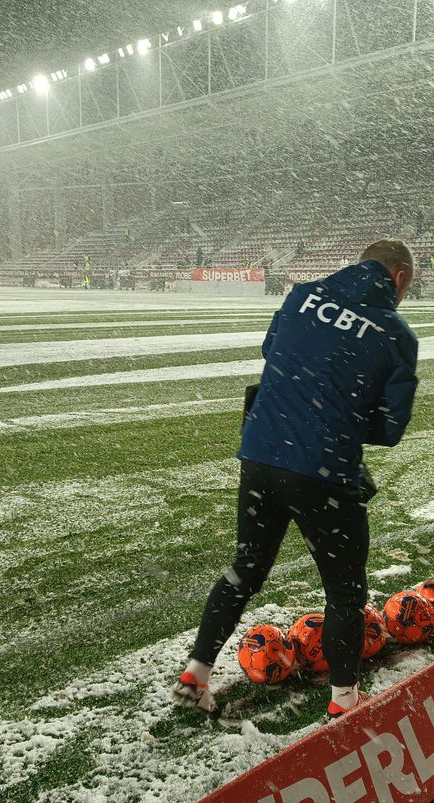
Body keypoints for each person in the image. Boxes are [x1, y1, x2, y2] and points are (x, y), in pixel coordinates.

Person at [172, 239, 419, 720]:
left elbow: (272, 353)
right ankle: (344, 700)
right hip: (323, 472)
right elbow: (390, 429)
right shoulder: (394, 334)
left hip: (261, 455)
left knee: (245, 569)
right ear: (401, 278)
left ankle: (197, 673)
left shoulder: (301, 295)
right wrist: (339, 417)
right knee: (344, 593)